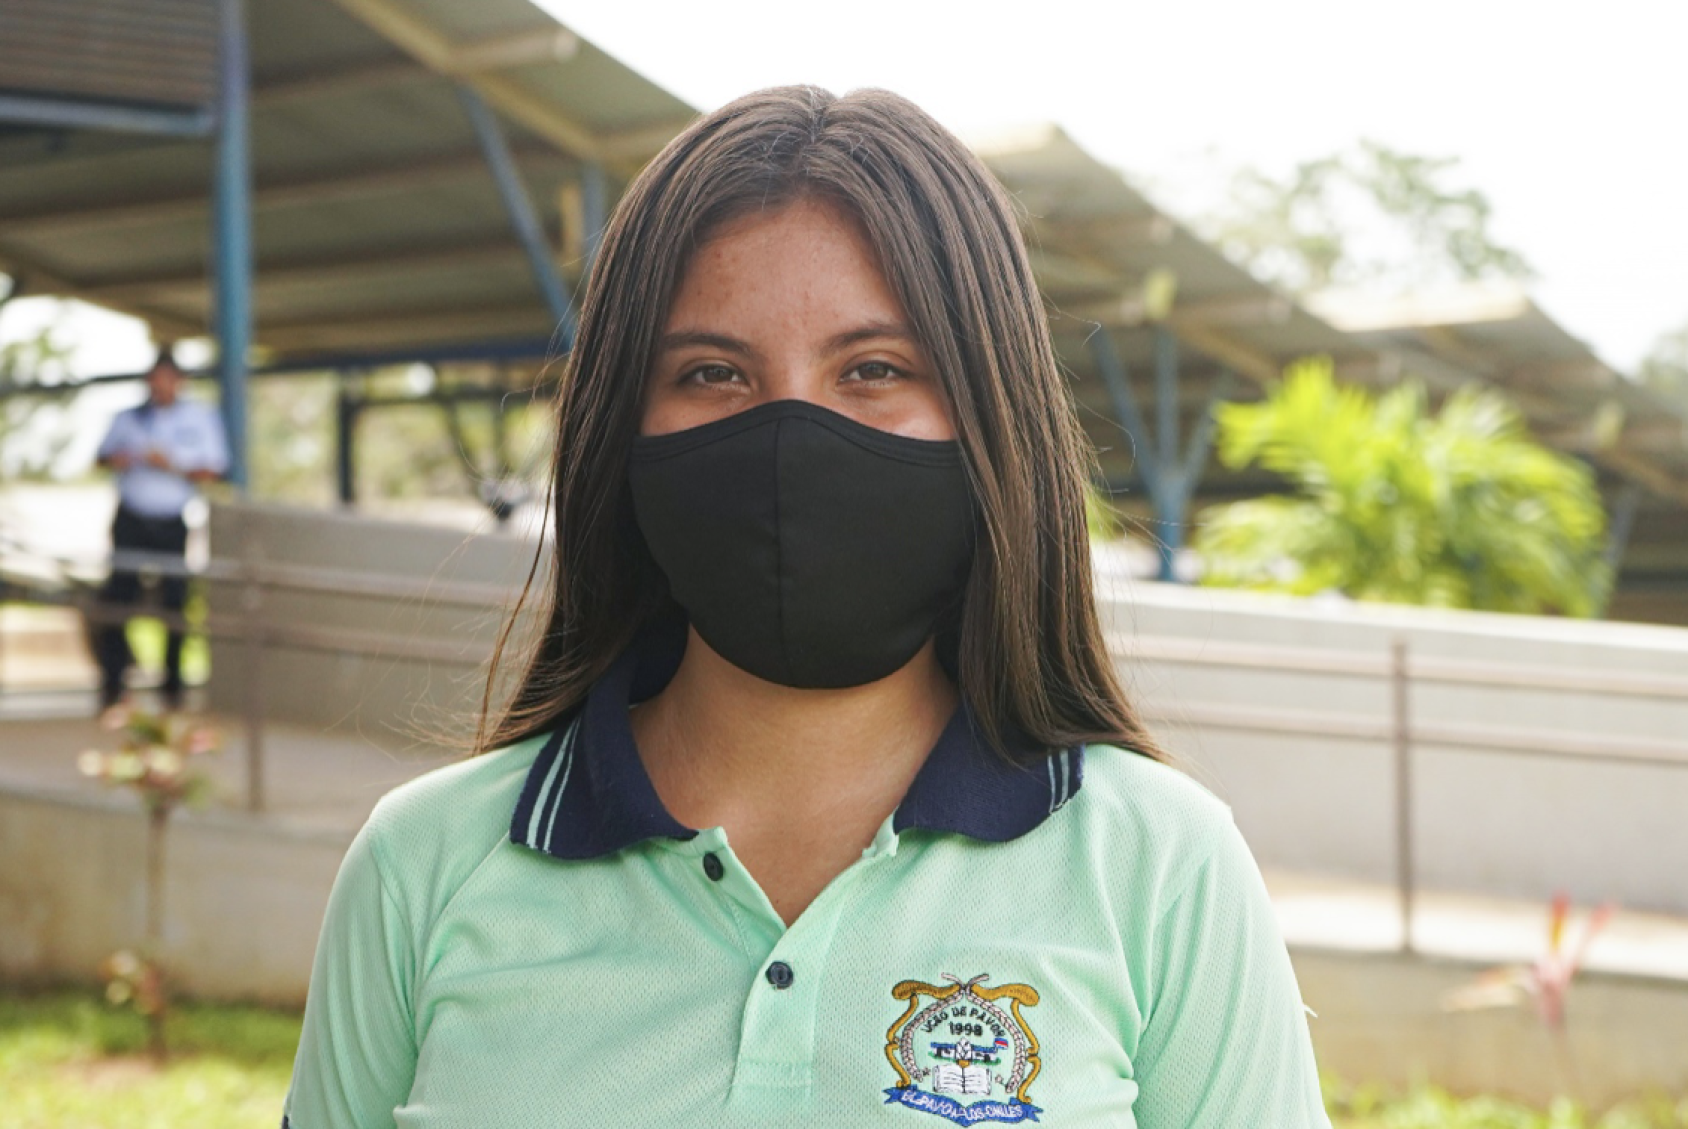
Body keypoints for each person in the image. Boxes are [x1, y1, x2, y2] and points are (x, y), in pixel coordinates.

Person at [283, 87, 1330, 1128]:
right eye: (712, 372)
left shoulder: (1157, 867)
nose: (789, 439)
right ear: (619, 426)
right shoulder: (422, 866)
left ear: (991, 416)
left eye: (873, 368)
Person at [92, 345, 228, 711]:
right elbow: (100, 458)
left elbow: (215, 469)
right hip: (131, 519)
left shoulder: (199, 418)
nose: (160, 386)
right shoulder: (128, 419)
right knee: (118, 601)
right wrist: (122, 460)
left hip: (171, 522)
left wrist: (171, 465)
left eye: (166, 379)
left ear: (179, 382)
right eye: (154, 380)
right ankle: (113, 687)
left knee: (175, 602)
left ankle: (172, 689)